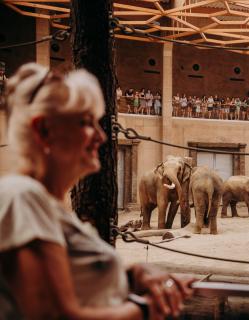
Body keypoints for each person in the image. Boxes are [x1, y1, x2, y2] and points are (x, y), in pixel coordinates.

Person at [0, 63, 194, 319]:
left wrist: (135, 273)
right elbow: (54, 314)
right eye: (86, 122)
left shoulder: (47, 206)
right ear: (44, 130)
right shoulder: (23, 197)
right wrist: (146, 309)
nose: (101, 136)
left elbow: (75, 275)